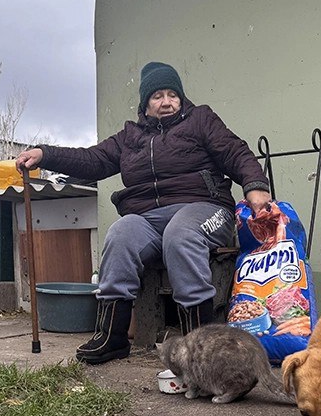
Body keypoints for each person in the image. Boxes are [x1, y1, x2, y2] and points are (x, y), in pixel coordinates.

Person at [16, 61, 272, 364]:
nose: (166, 102)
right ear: (145, 103)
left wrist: (256, 186)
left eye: (172, 94)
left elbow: (236, 152)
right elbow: (93, 159)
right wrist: (47, 154)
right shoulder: (130, 137)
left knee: (181, 234)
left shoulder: (200, 120)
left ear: (181, 98)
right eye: (157, 96)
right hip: (149, 217)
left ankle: (201, 345)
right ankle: (112, 336)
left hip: (204, 208)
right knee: (121, 233)